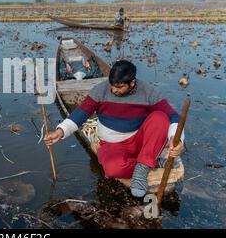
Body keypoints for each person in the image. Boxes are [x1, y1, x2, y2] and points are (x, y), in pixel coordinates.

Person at [44, 60, 184, 198]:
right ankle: (153, 161)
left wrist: (176, 140)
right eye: (112, 85)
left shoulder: (147, 92)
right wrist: (60, 131)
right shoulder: (100, 91)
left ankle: (142, 167)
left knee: (161, 117)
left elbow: (173, 117)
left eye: (119, 86)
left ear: (132, 83)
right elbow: (81, 114)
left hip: (139, 141)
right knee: (112, 168)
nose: (114, 90)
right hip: (113, 145)